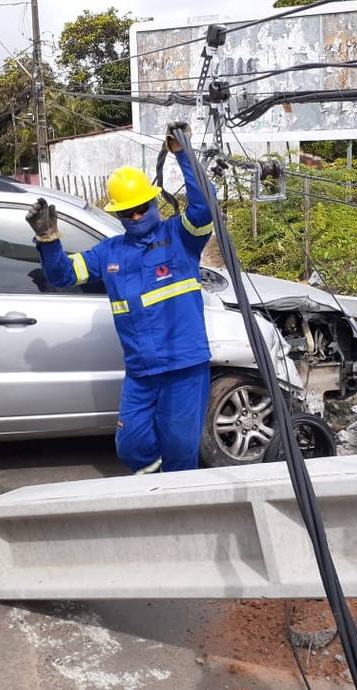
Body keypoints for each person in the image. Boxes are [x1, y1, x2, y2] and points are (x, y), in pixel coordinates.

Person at [25, 124, 214, 474]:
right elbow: (63, 275)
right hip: (141, 371)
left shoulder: (180, 237)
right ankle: (157, 487)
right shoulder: (110, 252)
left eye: (142, 207)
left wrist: (183, 153)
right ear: (118, 214)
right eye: (128, 213)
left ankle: (178, 510)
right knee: (131, 446)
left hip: (183, 367)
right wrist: (49, 240)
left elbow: (203, 207)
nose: (137, 216)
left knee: (180, 450)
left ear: (154, 201)